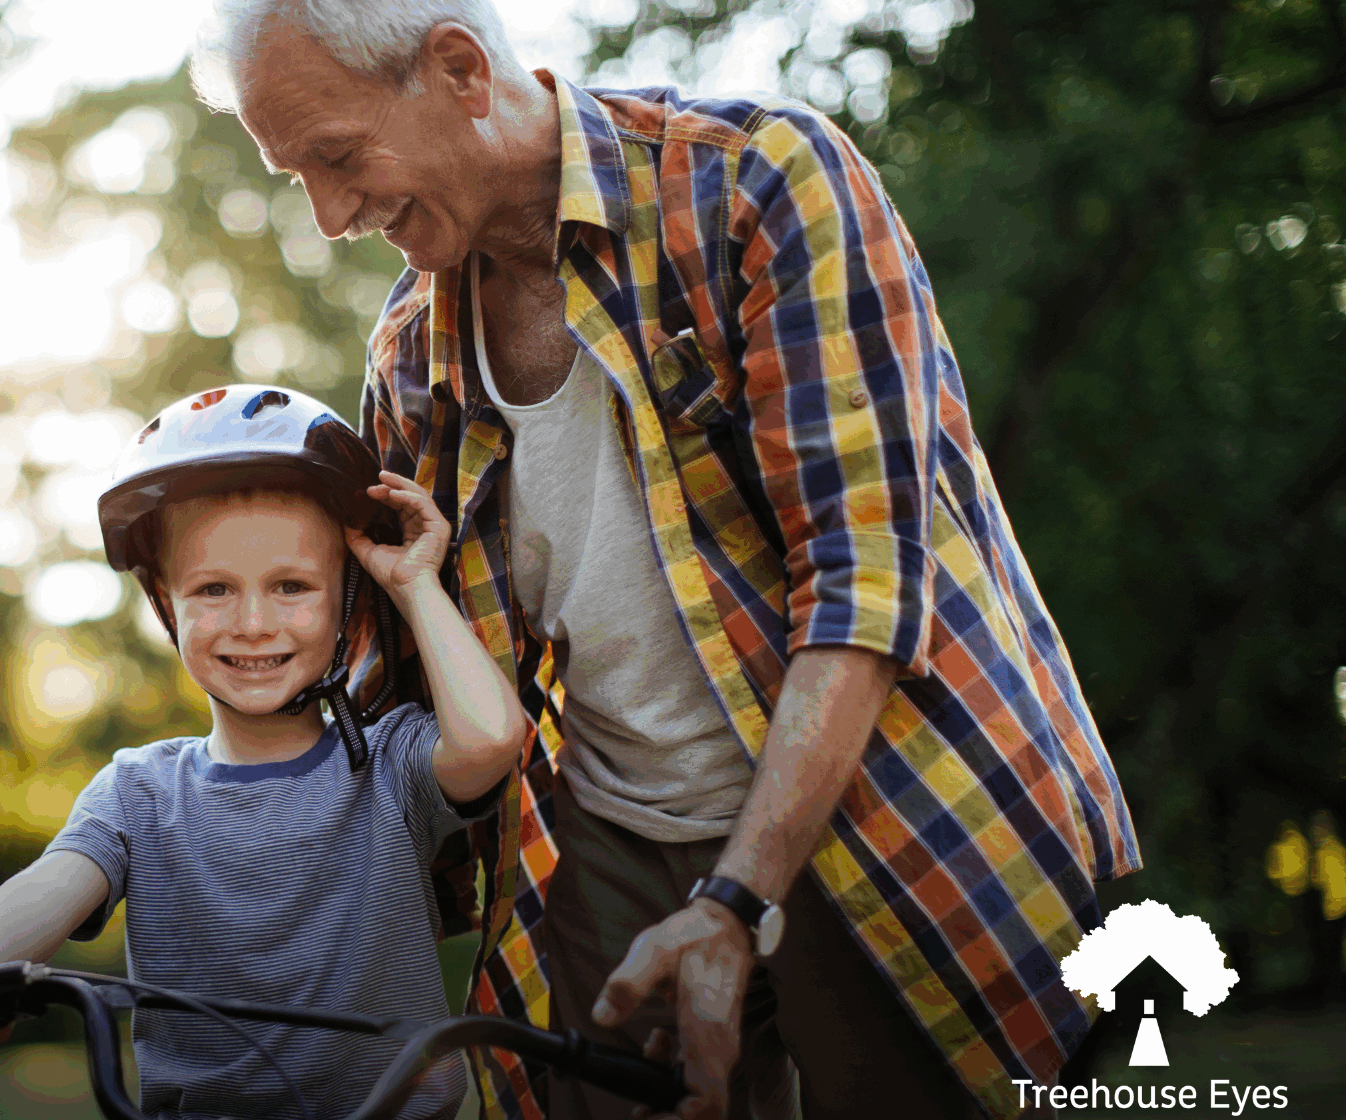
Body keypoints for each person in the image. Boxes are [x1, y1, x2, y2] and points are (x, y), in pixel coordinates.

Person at [196, 3, 1141, 1119]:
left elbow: (865, 578)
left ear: (456, 69)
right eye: (295, 174)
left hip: (884, 798)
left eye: (338, 159)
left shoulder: (755, 184)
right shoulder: (411, 355)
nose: (328, 215)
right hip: (612, 834)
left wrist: (736, 902)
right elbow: (398, 694)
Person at [0, 384, 529, 1119]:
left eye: (292, 586)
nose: (254, 623)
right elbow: (50, 885)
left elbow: (490, 737)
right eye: (213, 590)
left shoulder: (389, 766)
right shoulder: (138, 792)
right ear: (167, 605)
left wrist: (413, 580)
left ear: (348, 597)